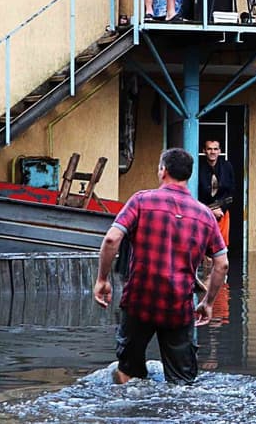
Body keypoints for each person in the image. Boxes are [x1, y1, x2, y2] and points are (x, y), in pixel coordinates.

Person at [93, 148, 228, 385]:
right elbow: (222, 264)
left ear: (163, 170)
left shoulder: (141, 200)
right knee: (182, 383)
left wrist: (102, 279)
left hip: (139, 300)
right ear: (189, 175)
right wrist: (207, 302)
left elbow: (112, 239)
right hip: (178, 305)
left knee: (127, 371)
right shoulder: (205, 215)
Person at [197, 139, 235, 246]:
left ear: (219, 151)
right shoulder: (198, 167)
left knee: (221, 246)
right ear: (204, 150)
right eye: (209, 149)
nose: (212, 152)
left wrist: (219, 208)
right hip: (203, 212)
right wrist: (210, 210)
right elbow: (194, 193)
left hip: (222, 212)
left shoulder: (227, 166)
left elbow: (231, 192)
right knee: (205, 246)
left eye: (215, 149)